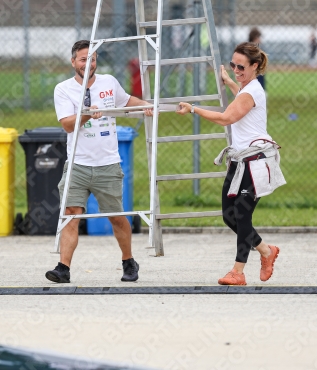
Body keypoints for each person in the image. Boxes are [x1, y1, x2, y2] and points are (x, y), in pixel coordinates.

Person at [176, 42, 286, 286]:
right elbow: (241, 96)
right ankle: (267, 251)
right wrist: (230, 81)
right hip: (239, 160)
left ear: (255, 66)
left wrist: (194, 108)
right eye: (233, 64)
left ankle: (238, 272)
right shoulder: (246, 88)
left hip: (255, 161)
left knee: (242, 215)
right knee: (229, 216)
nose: (236, 69)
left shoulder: (253, 91)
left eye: (241, 66)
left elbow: (227, 117)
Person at [45, 39, 153, 284]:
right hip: (77, 164)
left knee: (116, 216)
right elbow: (67, 125)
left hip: (107, 163)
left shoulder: (109, 83)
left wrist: (146, 105)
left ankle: (129, 262)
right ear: (73, 61)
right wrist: (85, 115)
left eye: (92, 59)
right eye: (83, 59)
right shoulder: (63, 89)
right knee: (71, 213)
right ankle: (63, 268)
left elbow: (125, 101)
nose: (88, 64)